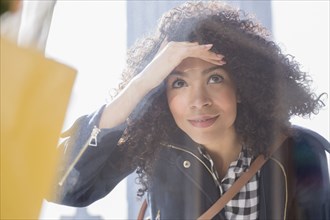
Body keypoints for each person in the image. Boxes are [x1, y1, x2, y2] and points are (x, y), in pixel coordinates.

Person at [53, 1, 330, 219]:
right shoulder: (156, 149)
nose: (198, 101)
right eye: (179, 83)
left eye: (215, 79)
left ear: (242, 88)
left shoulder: (300, 151)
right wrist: (141, 85)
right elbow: (63, 187)